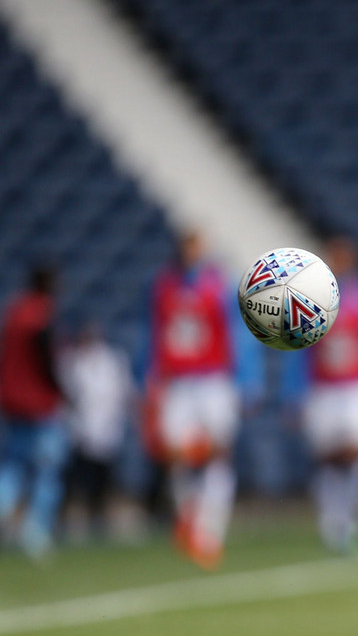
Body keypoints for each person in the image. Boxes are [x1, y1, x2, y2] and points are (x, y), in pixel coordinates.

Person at [146, 231, 259, 570]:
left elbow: (238, 333)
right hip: (178, 382)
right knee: (176, 454)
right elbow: (153, 333)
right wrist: (149, 376)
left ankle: (209, 532)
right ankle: (188, 519)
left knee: (218, 453)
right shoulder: (163, 286)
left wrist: (246, 380)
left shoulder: (219, 287)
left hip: (213, 380)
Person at [290, 236, 358, 554]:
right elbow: (300, 348)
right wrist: (296, 392)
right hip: (323, 389)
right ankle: (335, 524)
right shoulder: (310, 297)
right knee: (329, 459)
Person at [0, 265, 68, 559]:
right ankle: (36, 529)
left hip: (12, 401)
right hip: (37, 403)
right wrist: (61, 389)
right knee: (46, 468)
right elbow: (44, 357)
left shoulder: (15, 310)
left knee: (13, 465)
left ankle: (5, 512)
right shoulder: (40, 313)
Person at [59, 321, 133, 542]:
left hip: (107, 428)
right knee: (81, 480)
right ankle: (77, 519)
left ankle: (100, 518)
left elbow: (121, 393)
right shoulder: (73, 361)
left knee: (103, 477)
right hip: (81, 430)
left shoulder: (112, 361)